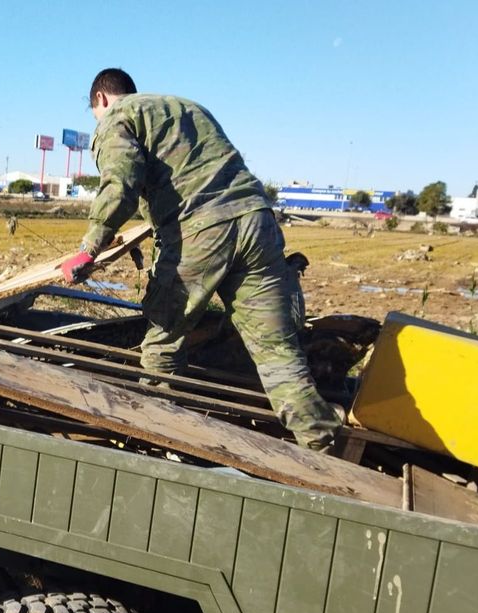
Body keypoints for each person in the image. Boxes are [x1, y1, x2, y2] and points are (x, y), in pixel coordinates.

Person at [61, 69, 339, 451]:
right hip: (257, 223)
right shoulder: (188, 108)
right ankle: (324, 446)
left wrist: (89, 248)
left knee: (162, 344)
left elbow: (120, 180)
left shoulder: (117, 118)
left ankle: (154, 439)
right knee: (279, 355)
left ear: (101, 99)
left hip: (200, 232)